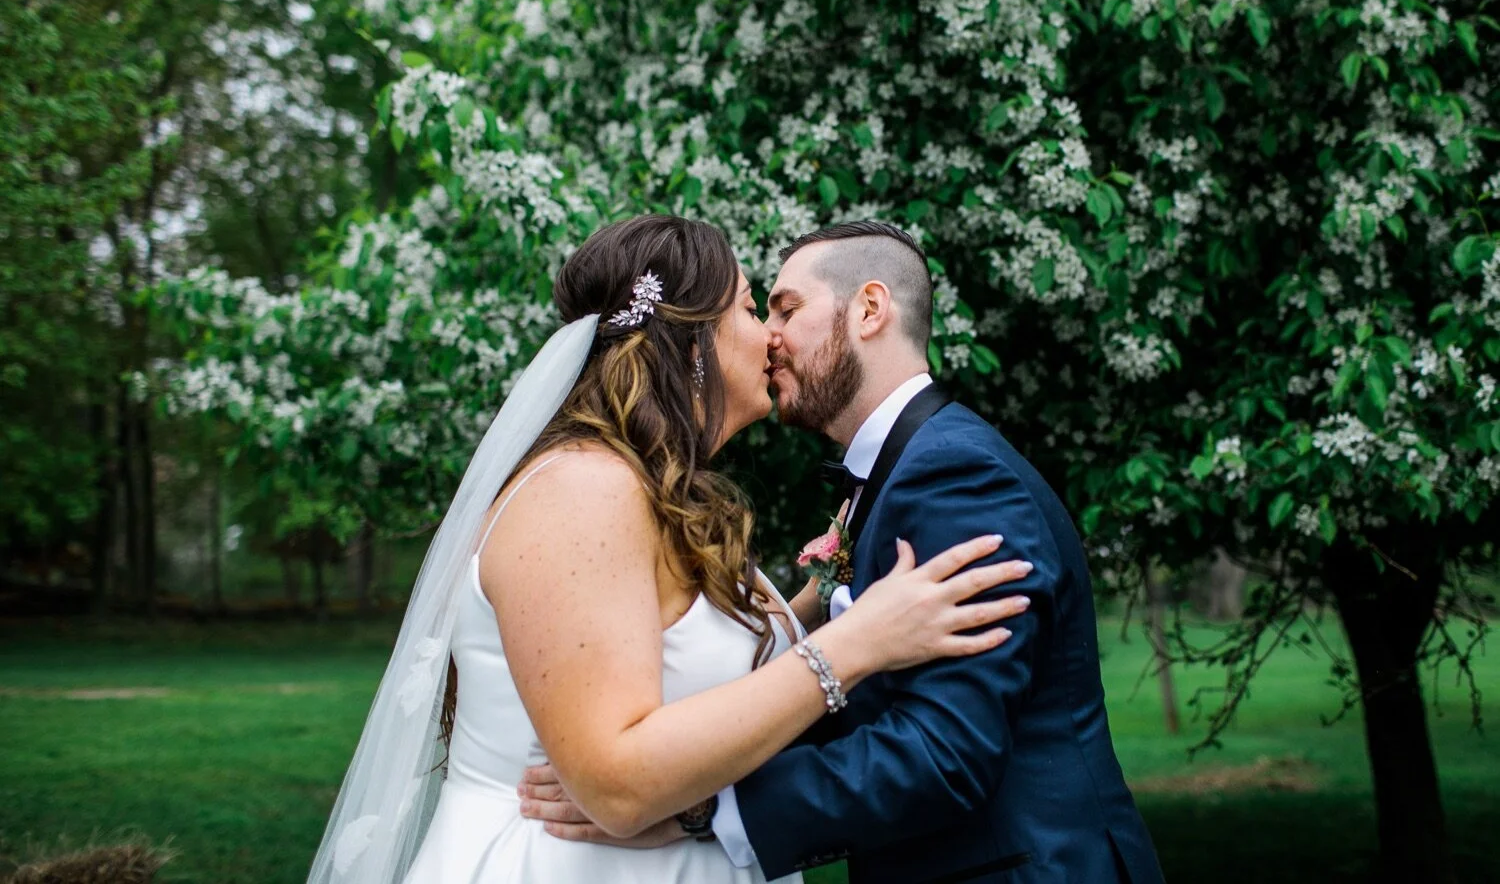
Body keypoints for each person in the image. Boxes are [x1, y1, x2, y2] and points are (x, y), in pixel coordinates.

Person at [305, 215, 1033, 884]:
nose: (771, 337)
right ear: (693, 344)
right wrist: (856, 644)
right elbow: (617, 783)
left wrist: (823, 603)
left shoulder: (652, 494)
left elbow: (692, 665)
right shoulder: (582, 492)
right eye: (753, 310)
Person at [524, 221, 1166, 884]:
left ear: (869, 309)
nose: (769, 337)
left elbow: (946, 749)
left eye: (786, 309)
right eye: (761, 311)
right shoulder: (906, 470)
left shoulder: (956, 476)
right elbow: (872, 707)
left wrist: (704, 812)